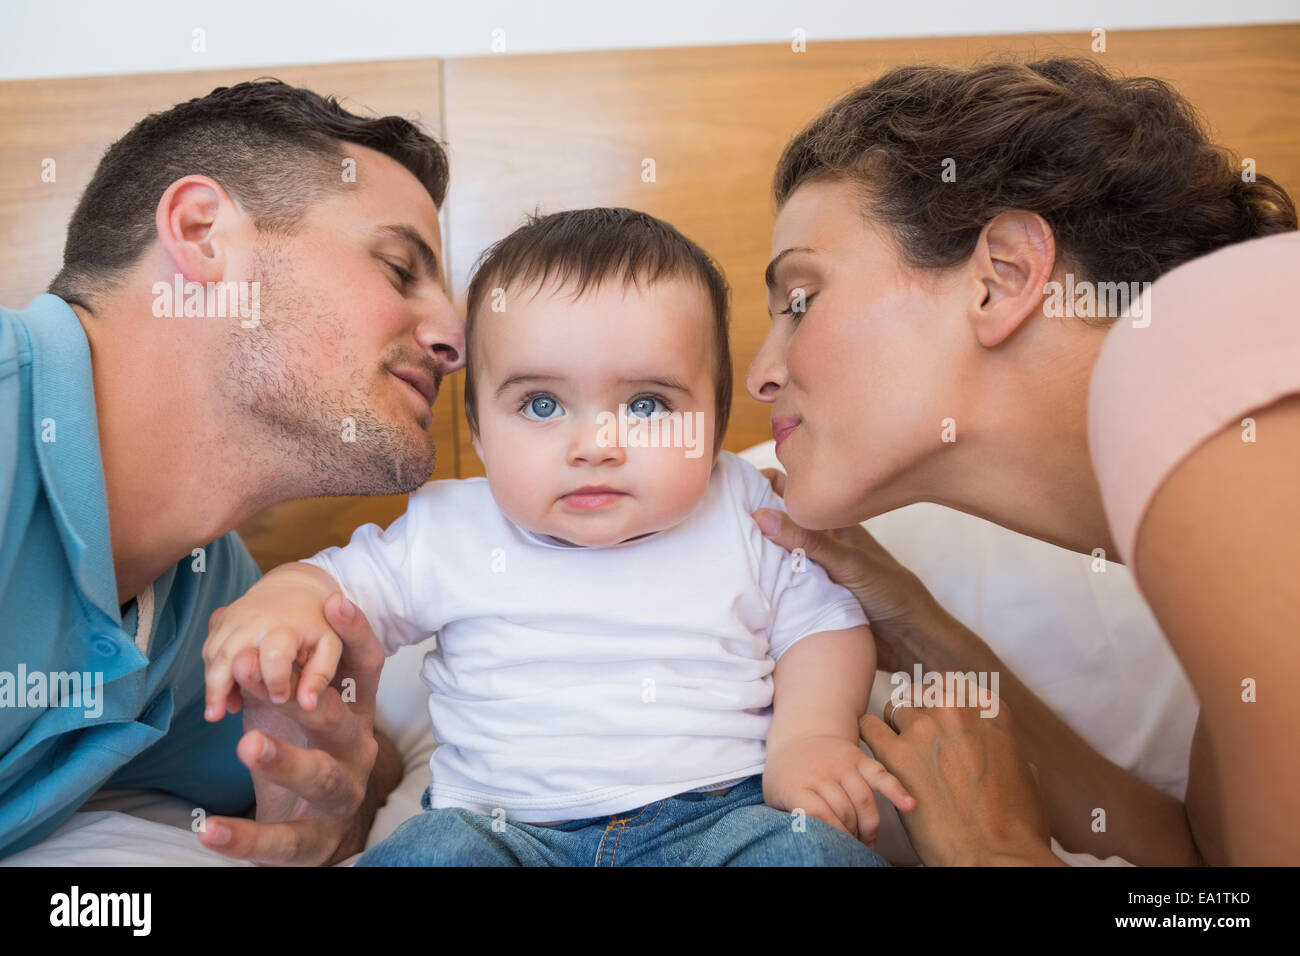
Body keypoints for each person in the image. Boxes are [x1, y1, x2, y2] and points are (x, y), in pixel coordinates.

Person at [202, 208, 913, 866]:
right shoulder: (451, 528)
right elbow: (338, 591)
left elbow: (822, 627)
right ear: (479, 431)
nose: (596, 444)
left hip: (722, 820)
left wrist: (811, 741)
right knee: (432, 854)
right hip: (497, 828)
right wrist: (289, 595)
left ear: (715, 425)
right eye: (541, 404)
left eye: (646, 404)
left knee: (806, 855)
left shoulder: (746, 506)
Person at [744, 57, 1299, 865]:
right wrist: (918, 628)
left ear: (1001, 277)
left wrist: (993, 855)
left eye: (801, 301)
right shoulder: (1217, 430)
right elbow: (1199, 872)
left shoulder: (1198, 347)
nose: (762, 370)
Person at [0, 79, 465, 863]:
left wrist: (328, 800)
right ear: (202, 232)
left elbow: (334, 769)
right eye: (396, 268)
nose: (455, 336)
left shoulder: (203, 592)